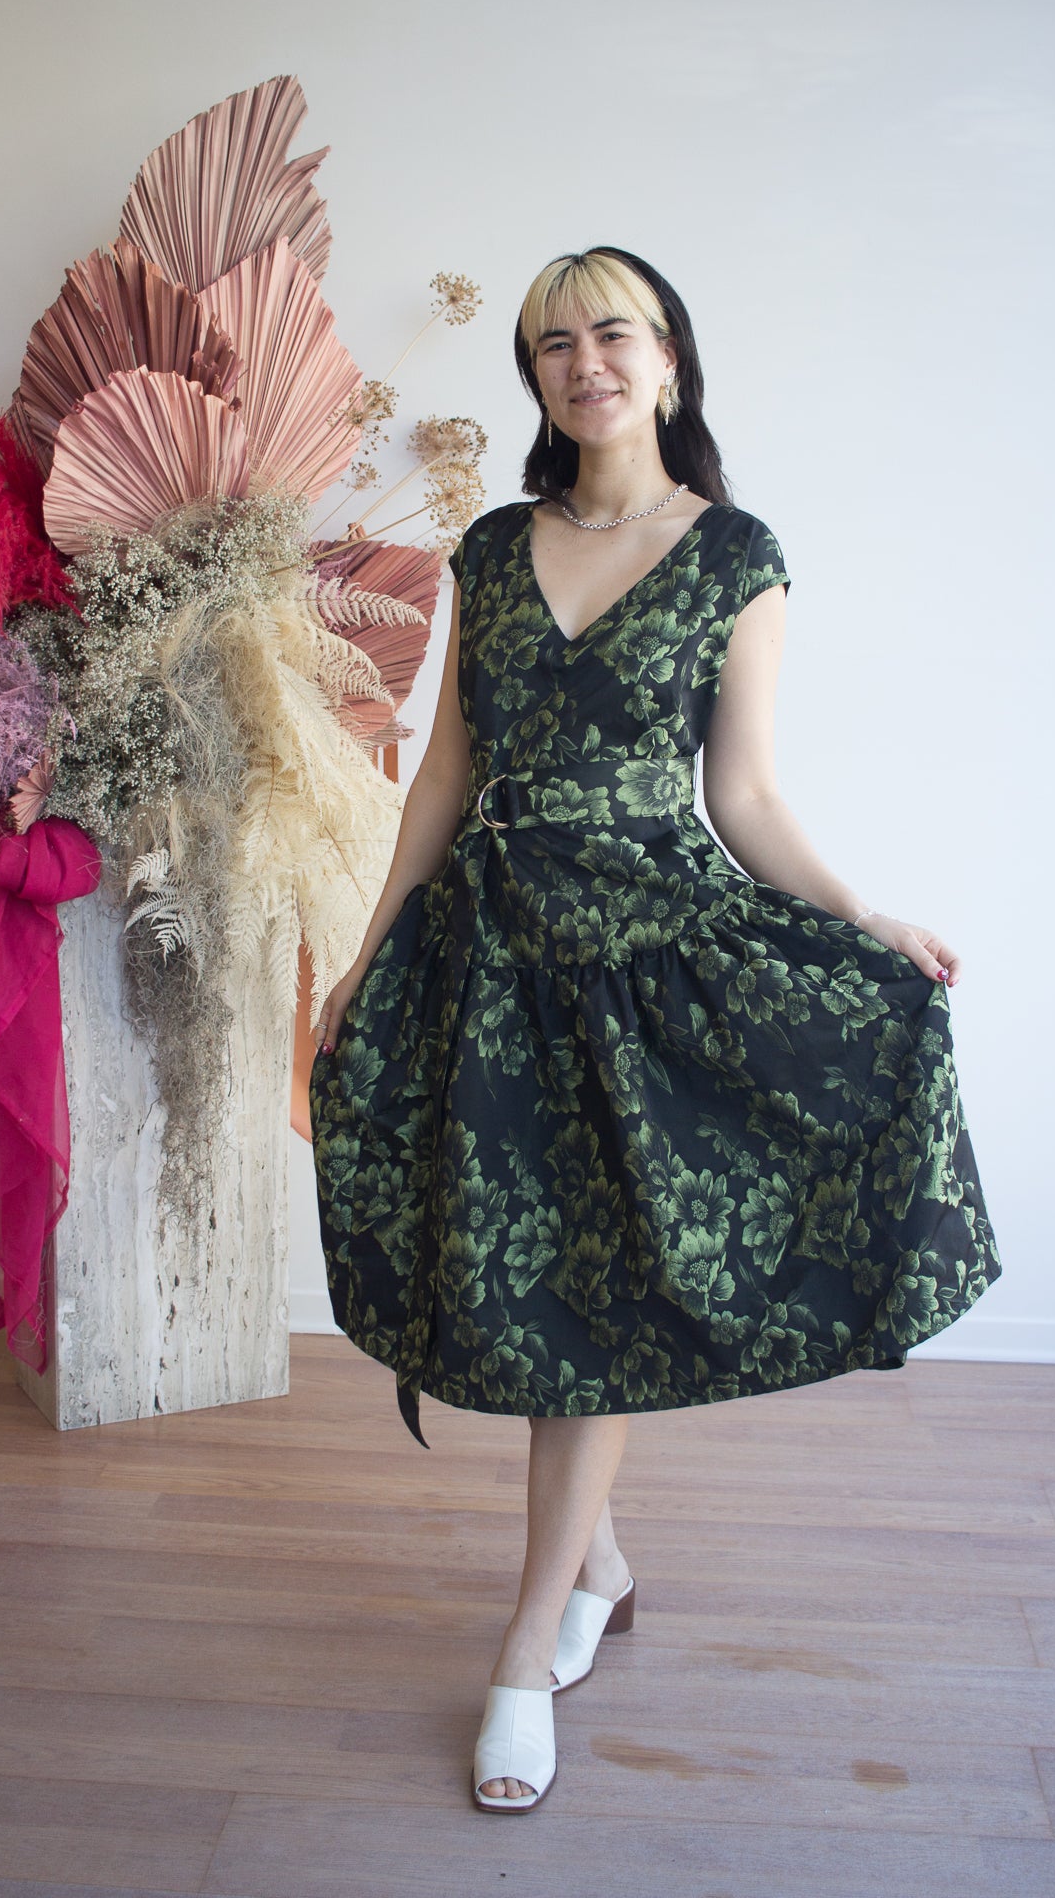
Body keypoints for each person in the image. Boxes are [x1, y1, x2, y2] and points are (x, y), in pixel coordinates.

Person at [308, 246, 1001, 1813]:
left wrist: (864, 920)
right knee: (532, 1289)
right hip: (491, 961)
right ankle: (600, 1568)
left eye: (611, 333)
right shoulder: (492, 548)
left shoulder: (734, 554)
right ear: (535, 378)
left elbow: (740, 793)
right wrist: (367, 954)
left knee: (591, 1297)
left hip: (648, 962)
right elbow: (441, 776)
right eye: (553, 344)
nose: (584, 363)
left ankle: (520, 1653)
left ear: (668, 358)